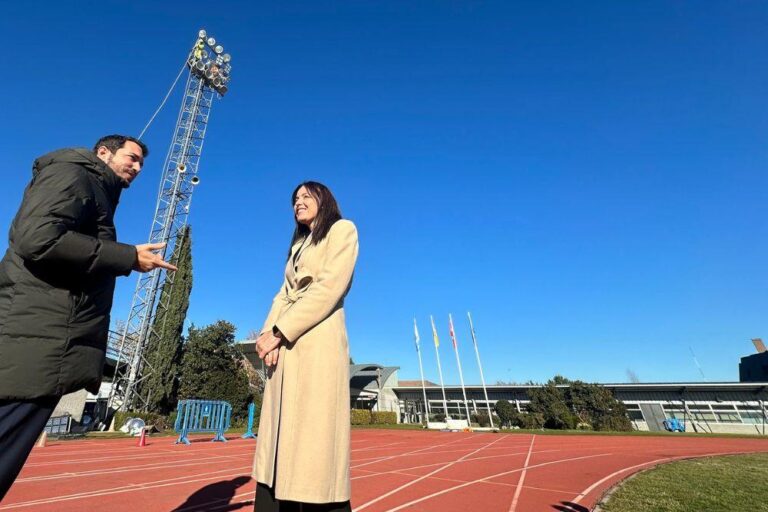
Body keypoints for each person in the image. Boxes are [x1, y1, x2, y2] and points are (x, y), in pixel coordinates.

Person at [0, 135, 177, 501]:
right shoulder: (74, 175)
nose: (138, 168)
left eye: (142, 164)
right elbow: (37, 239)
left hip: (41, 342)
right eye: (132, 158)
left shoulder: (91, 188)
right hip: (36, 342)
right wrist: (127, 257)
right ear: (103, 153)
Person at [253, 181, 359, 512]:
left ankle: (319, 500)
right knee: (278, 438)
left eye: (305, 196)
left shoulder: (342, 230)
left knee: (313, 437)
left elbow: (329, 288)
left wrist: (281, 330)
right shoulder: (298, 246)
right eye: (294, 198)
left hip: (317, 340)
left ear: (323, 200)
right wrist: (267, 336)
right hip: (286, 347)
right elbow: (282, 294)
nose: (298, 202)